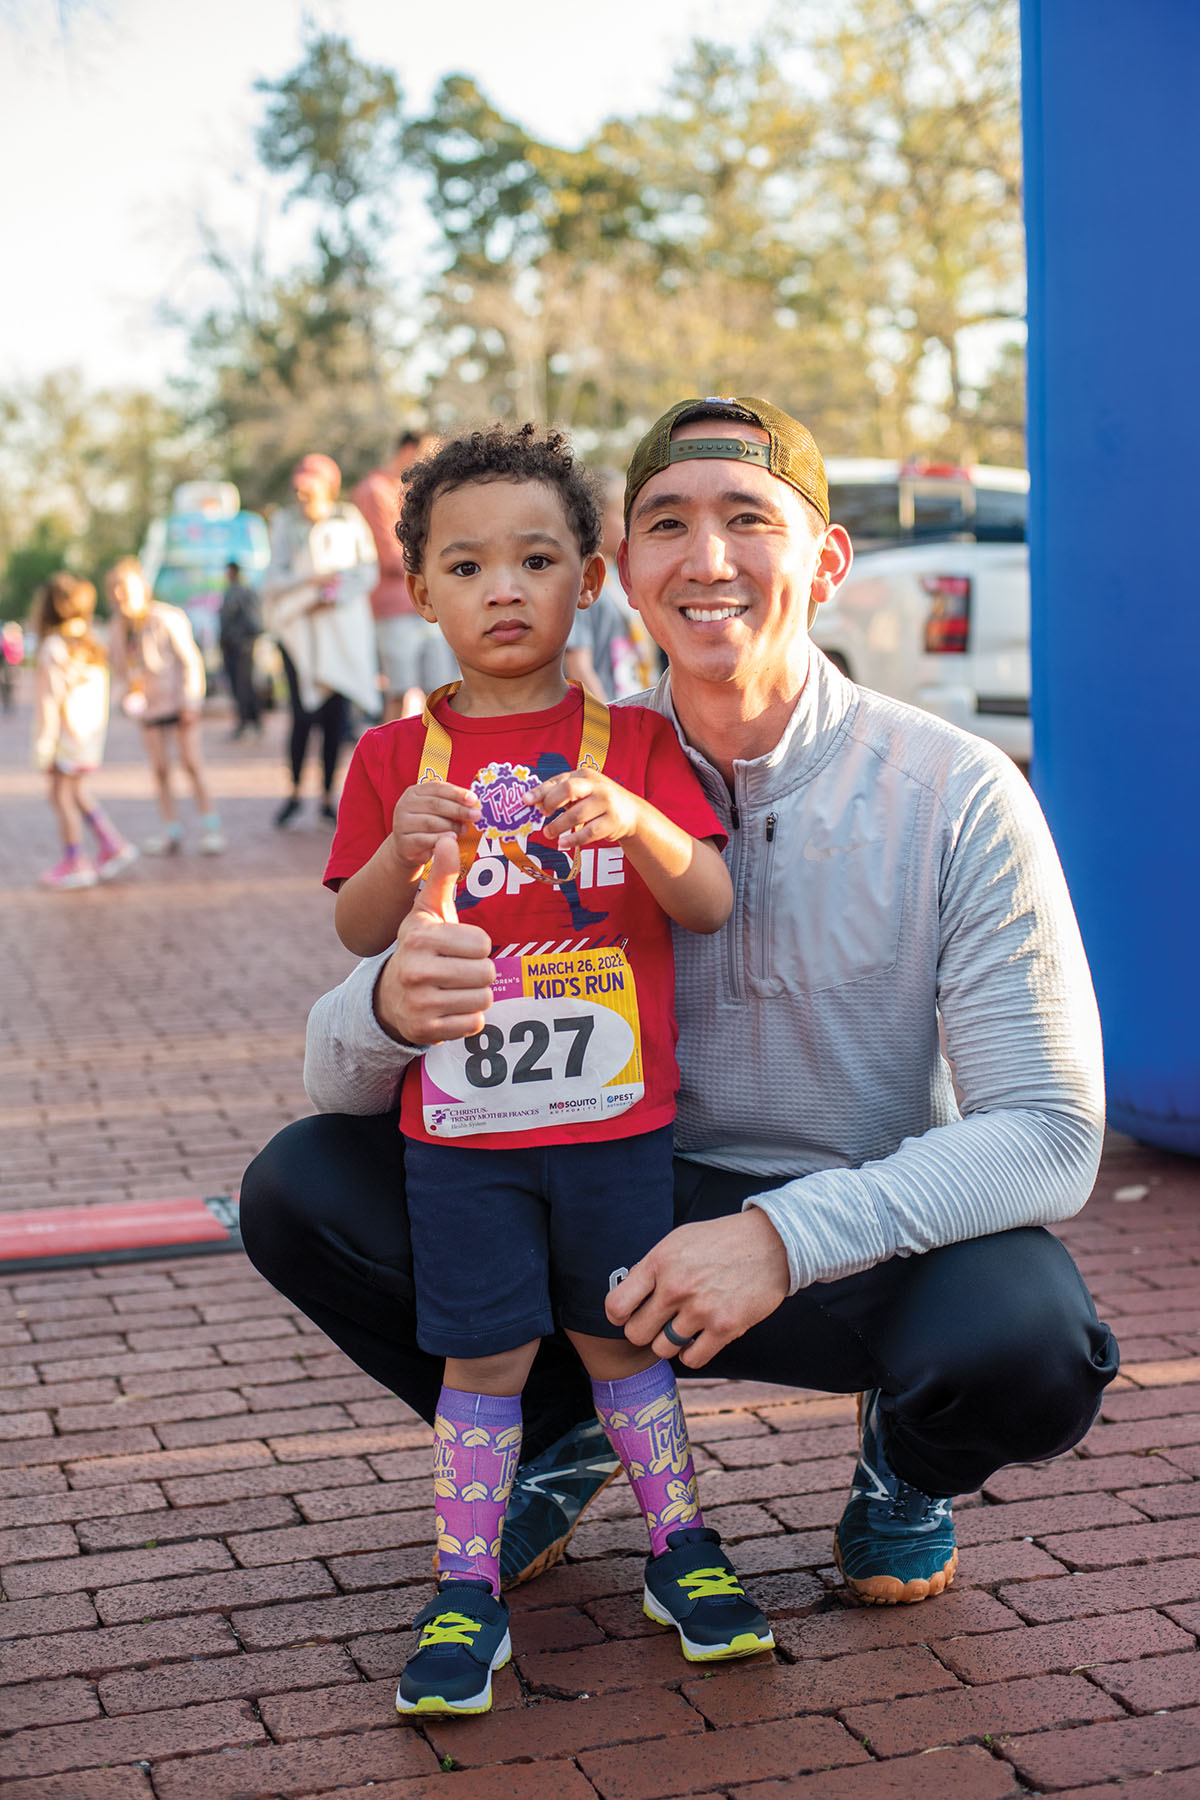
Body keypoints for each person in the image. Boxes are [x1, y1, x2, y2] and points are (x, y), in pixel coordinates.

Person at [241, 395, 1117, 1662]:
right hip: (602, 1194)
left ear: (822, 562)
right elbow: (333, 1065)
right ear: (629, 579)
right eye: (669, 525)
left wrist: (779, 1235)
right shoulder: (524, 765)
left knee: (1029, 1341)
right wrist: (384, 1005)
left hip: (849, 1226)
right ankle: (563, 1422)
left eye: (747, 520)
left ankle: (903, 1469)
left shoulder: (957, 792)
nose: (707, 560)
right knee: (300, 1185)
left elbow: (1047, 1133)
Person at [327, 422, 770, 1716]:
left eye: (535, 559)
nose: (503, 588)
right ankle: (466, 1582)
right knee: (485, 1353)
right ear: (421, 590)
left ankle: (679, 1546)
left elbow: (709, 901)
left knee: (623, 1337)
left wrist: (637, 825)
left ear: (593, 574)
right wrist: (398, 855)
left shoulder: (632, 743)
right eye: (465, 567)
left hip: (617, 1122)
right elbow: (356, 935)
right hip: (461, 1137)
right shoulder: (391, 759)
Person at [261, 453, 380, 828]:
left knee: (336, 718)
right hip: (300, 635)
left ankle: (329, 796)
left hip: (340, 631)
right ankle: (295, 792)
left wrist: (332, 594)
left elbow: (366, 570)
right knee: (301, 716)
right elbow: (273, 579)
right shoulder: (284, 523)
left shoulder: (347, 519)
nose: (302, 497)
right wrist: (307, 588)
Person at [106, 558, 225, 855]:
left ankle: (211, 827)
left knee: (191, 764)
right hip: (148, 709)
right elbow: (120, 672)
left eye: (126, 589)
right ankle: (170, 829)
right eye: (116, 591)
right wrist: (124, 698)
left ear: (141, 589)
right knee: (160, 769)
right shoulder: (118, 629)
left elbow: (190, 661)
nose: (121, 597)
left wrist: (190, 702)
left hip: (178, 705)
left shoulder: (166, 617)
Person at [30, 572, 137, 889]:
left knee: (61, 796)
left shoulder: (54, 647)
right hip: (87, 739)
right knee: (75, 793)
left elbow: (49, 702)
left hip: (64, 740)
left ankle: (75, 860)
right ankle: (111, 844)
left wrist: (44, 747)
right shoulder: (91, 642)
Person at [353, 429, 459, 722]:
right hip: (395, 608)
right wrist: (443, 567)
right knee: (398, 692)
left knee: (441, 694)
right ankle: (388, 765)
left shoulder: (421, 492)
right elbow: (388, 556)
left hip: (429, 604)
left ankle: (439, 765)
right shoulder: (374, 490)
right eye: (428, 455)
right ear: (407, 451)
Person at [565, 470, 661, 701]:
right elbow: (578, 666)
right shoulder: (582, 583)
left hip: (635, 707)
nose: (630, 524)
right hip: (607, 716)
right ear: (595, 518)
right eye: (622, 514)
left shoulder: (618, 578)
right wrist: (607, 721)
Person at [218, 561, 262, 738]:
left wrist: (244, 640)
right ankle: (246, 721)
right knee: (239, 686)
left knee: (244, 685)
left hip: (241, 646)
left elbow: (253, 622)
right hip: (232, 646)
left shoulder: (243, 592)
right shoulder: (231, 592)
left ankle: (250, 721)